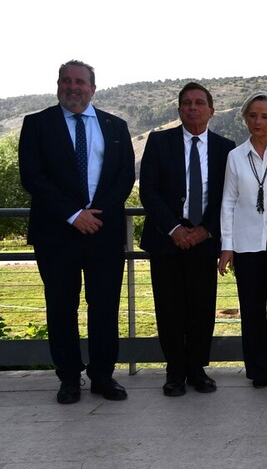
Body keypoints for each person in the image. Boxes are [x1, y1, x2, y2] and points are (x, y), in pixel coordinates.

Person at [18, 60, 135, 404]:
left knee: (103, 307)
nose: (73, 87)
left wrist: (96, 215)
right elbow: (32, 176)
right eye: (66, 81)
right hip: (56, 233)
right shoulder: (37, 124)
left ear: (93, 88)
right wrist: (73, 214)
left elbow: (124, 177)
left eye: (80, 82)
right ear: (58, 85)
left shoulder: (115, 126)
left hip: (104, 232)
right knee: (61, 307)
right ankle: (69, 378)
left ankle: (102, 376)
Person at [140, 82, 236, 397]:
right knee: (168, 308)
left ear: (211, 109)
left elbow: (226, 195)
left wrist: (205, 229)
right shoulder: (158, 141)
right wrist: (174, 229)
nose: (192, 108)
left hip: (204, 239)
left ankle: (197, 369)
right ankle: (174, 372)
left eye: (198, 103)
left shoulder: (225, 147)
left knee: (202, 307)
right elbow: (149, 191)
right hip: (166, 239)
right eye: (186, 103)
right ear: (179, 109)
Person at [219, 92, 267, 389]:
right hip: (247, 244)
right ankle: (257, 372)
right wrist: (227, 246)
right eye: (252, 115)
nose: (258, 121)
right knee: (251, 311)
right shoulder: (235, 157)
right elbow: (228, 202)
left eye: (264, 116)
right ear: (245, 118)